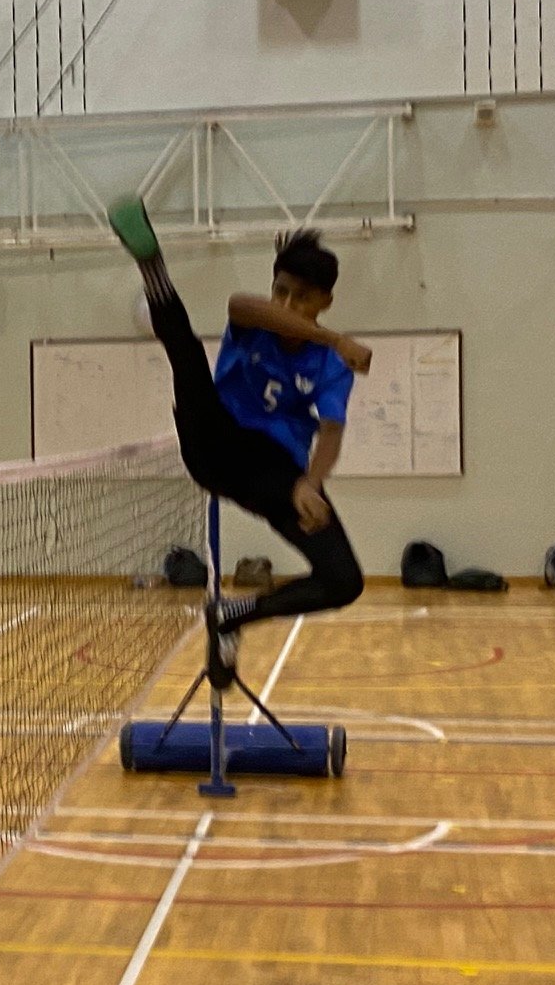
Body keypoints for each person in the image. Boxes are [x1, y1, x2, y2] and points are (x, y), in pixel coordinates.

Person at [109, 197, 370, 665]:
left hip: (271, 473)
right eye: (281, 291)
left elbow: (331, 431)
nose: (288, 304)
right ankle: (151, 265)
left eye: (303, 297)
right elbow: (241, 304)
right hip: (212, 437)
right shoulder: (256, 320)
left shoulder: (332, 367)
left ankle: (233, 616)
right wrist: (335, 336)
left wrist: (311, 484)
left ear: (326, 301)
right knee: (186, 355)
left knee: (344, 580)